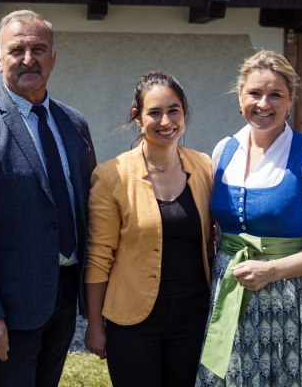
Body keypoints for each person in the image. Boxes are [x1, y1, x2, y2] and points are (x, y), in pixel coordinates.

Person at [0, 9, 97, 387]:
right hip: (9, 308)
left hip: (63, 296)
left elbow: (86, 208)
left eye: (39, 49)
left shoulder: (74, 124)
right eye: (17, 50)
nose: (28, 59)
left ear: (54, 58)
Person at [196, 50, 302, 386]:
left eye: (275, 94)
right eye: (255, 93)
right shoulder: (224, 150)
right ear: (240, 96)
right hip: (233, 291)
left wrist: (271, 270)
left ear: (291, 100)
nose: (264, 103)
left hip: (295, 299)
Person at [85, 71, 214, 386]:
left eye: (173, 110)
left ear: (184, 113)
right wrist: (95, 325)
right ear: (138, 118)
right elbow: (99, 256)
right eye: (154, 112)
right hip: (133, 322)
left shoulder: (204, 167)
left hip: (193, 317)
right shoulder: (111, 176)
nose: (165, 120)